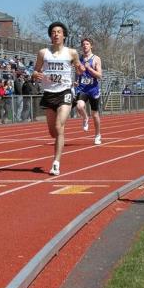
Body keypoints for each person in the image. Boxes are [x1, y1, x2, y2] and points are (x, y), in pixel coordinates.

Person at [32, 21, 83, 176]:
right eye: (53, 32)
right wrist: (36, 74)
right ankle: (57, 141)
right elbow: (35, 71)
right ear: (50, 35)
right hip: (49, 93)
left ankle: (56, 163)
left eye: (59, 32)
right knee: (52, 132)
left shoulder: (72, 52)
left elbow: (79, 69)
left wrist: (80, 69)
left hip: (65, 92)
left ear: (64, 35)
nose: (56, 34)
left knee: (59, 126)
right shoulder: (43, 53)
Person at [75, 38, 103, 145]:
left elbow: (100, 75)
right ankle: (85, 117)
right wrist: (76, 81)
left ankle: (97, 135)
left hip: (93, 89)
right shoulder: (79, 59)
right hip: (82, 88)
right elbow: (77, 73)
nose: (85, 46)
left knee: (95, 114)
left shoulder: (96, 59)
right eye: (83, 44)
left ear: (91, 46)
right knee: (79, 106)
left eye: (87, 44)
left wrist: (90, 69)